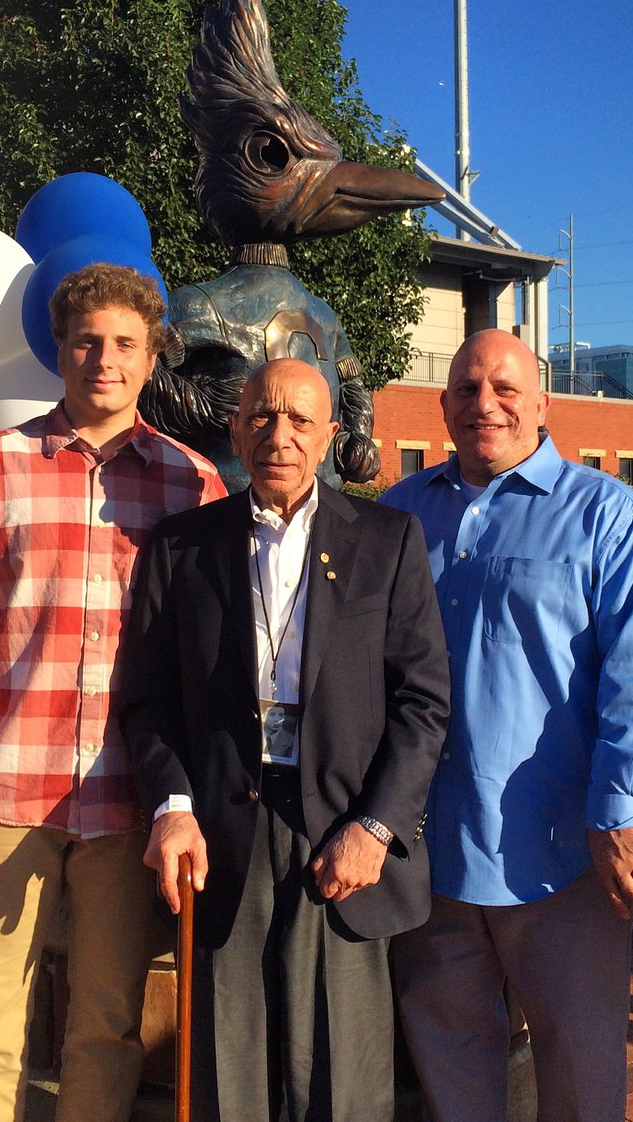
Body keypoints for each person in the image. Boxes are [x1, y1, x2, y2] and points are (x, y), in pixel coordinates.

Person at [0, 263, 226, 1122]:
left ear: (152, 357)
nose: (105, 359)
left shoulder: (191, 483)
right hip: (1, 795)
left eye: (126, 343)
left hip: (128, 800)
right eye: (88, 341)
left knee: (107, 1028)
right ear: (59, 350)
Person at [120, 358, 451, 1122]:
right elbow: (148, 699)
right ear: (236, 430)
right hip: (219, 831)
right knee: (226, 1067)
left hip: (341, 831)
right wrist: (172, 806)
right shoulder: (182, 546)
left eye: (300, 419)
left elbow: (424, 700)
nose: (281, 434)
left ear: (330, 435)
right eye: (262, 416)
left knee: (342, 1076)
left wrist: (377, 827)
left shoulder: (388, 540)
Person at [382, 330, 633, 1122]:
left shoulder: (607, 518)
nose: (484, 404)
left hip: (562, 853)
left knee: (580, 1071)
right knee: (451, 1069)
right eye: (465, 389)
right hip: (428, 850)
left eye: (505, 388)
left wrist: (617, 812)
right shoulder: (398, 515)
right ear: (443, 404)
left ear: (543, 403)